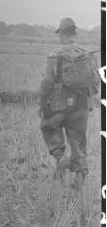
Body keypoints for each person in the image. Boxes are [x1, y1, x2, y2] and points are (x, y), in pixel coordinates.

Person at [39, 18, 99, 189]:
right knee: (78, 138)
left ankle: (61, 158)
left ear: (61, 34)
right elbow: (95, 83)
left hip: (58, 104)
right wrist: (87, 99)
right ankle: (80, 176)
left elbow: (46, 83)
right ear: (75, 32)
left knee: (48, 127)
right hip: (81, 105)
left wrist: (42, 104)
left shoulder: (54, 55)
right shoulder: (87, 54)